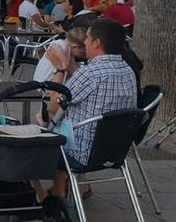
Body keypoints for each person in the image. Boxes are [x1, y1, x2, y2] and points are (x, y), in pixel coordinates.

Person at [49, 19, 138, 196]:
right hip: (115, 150)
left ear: (97, 43)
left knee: (45, 135)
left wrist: (60, 69)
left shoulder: (90, 72)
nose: (85, 43)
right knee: (67, 127)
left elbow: (53, 106)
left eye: (88, 39)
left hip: (81, 152)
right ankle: (81, 186)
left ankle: (55, 195)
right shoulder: (128, 70)